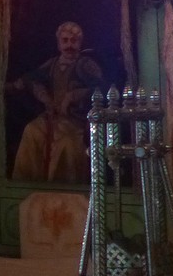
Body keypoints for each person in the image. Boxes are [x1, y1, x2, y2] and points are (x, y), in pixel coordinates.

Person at [9, 21, 103, 183]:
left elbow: (102, 88)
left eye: (73, 41)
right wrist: (43, 96)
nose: (69, 45)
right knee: (31, 131)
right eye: (65, 41)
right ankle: (26, 185)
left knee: (66, 144)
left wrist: (73, 96)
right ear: (59, 43)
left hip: (77, 120)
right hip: (53, 116)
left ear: (80, 43)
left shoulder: (86, 65)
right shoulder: (52, 64)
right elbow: (31, 78)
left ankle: (65, 188)